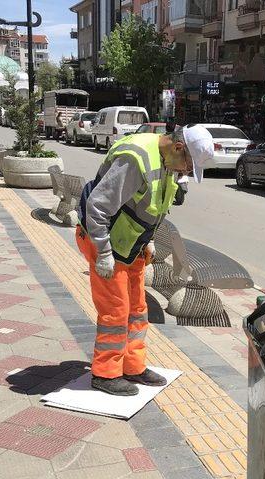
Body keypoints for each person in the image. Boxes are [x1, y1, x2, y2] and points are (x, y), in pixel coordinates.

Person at [77, 124, 214, 396]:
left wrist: (147, 240)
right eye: (186, 167)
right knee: (116, 311)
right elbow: (97, 207)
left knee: (138, 309)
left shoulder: (166, 160)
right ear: (177, 148)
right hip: (105, 241)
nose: (184, 173)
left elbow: (152, 205)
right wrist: (103, 253)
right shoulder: (135, 159)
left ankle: (133, 366)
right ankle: (105, 373)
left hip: (132, 245)